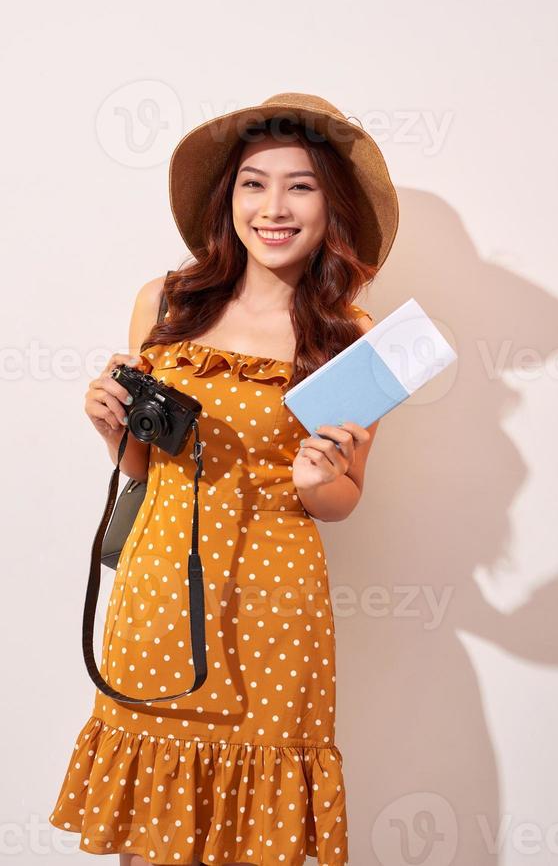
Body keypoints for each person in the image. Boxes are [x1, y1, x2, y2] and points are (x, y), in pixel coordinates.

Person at [49, 93, 399, 866]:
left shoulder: (351, 336)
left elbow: (344, 499)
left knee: (255, 838)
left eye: (300, 185)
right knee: (151, 832)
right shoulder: (167, 303)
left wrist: (318, 480)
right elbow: (144, 467)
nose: (274, 207)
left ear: (330, 204)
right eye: (253, 183)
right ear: (228, 198)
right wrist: (112, 429)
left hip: (279, 608)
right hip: (158, 591)